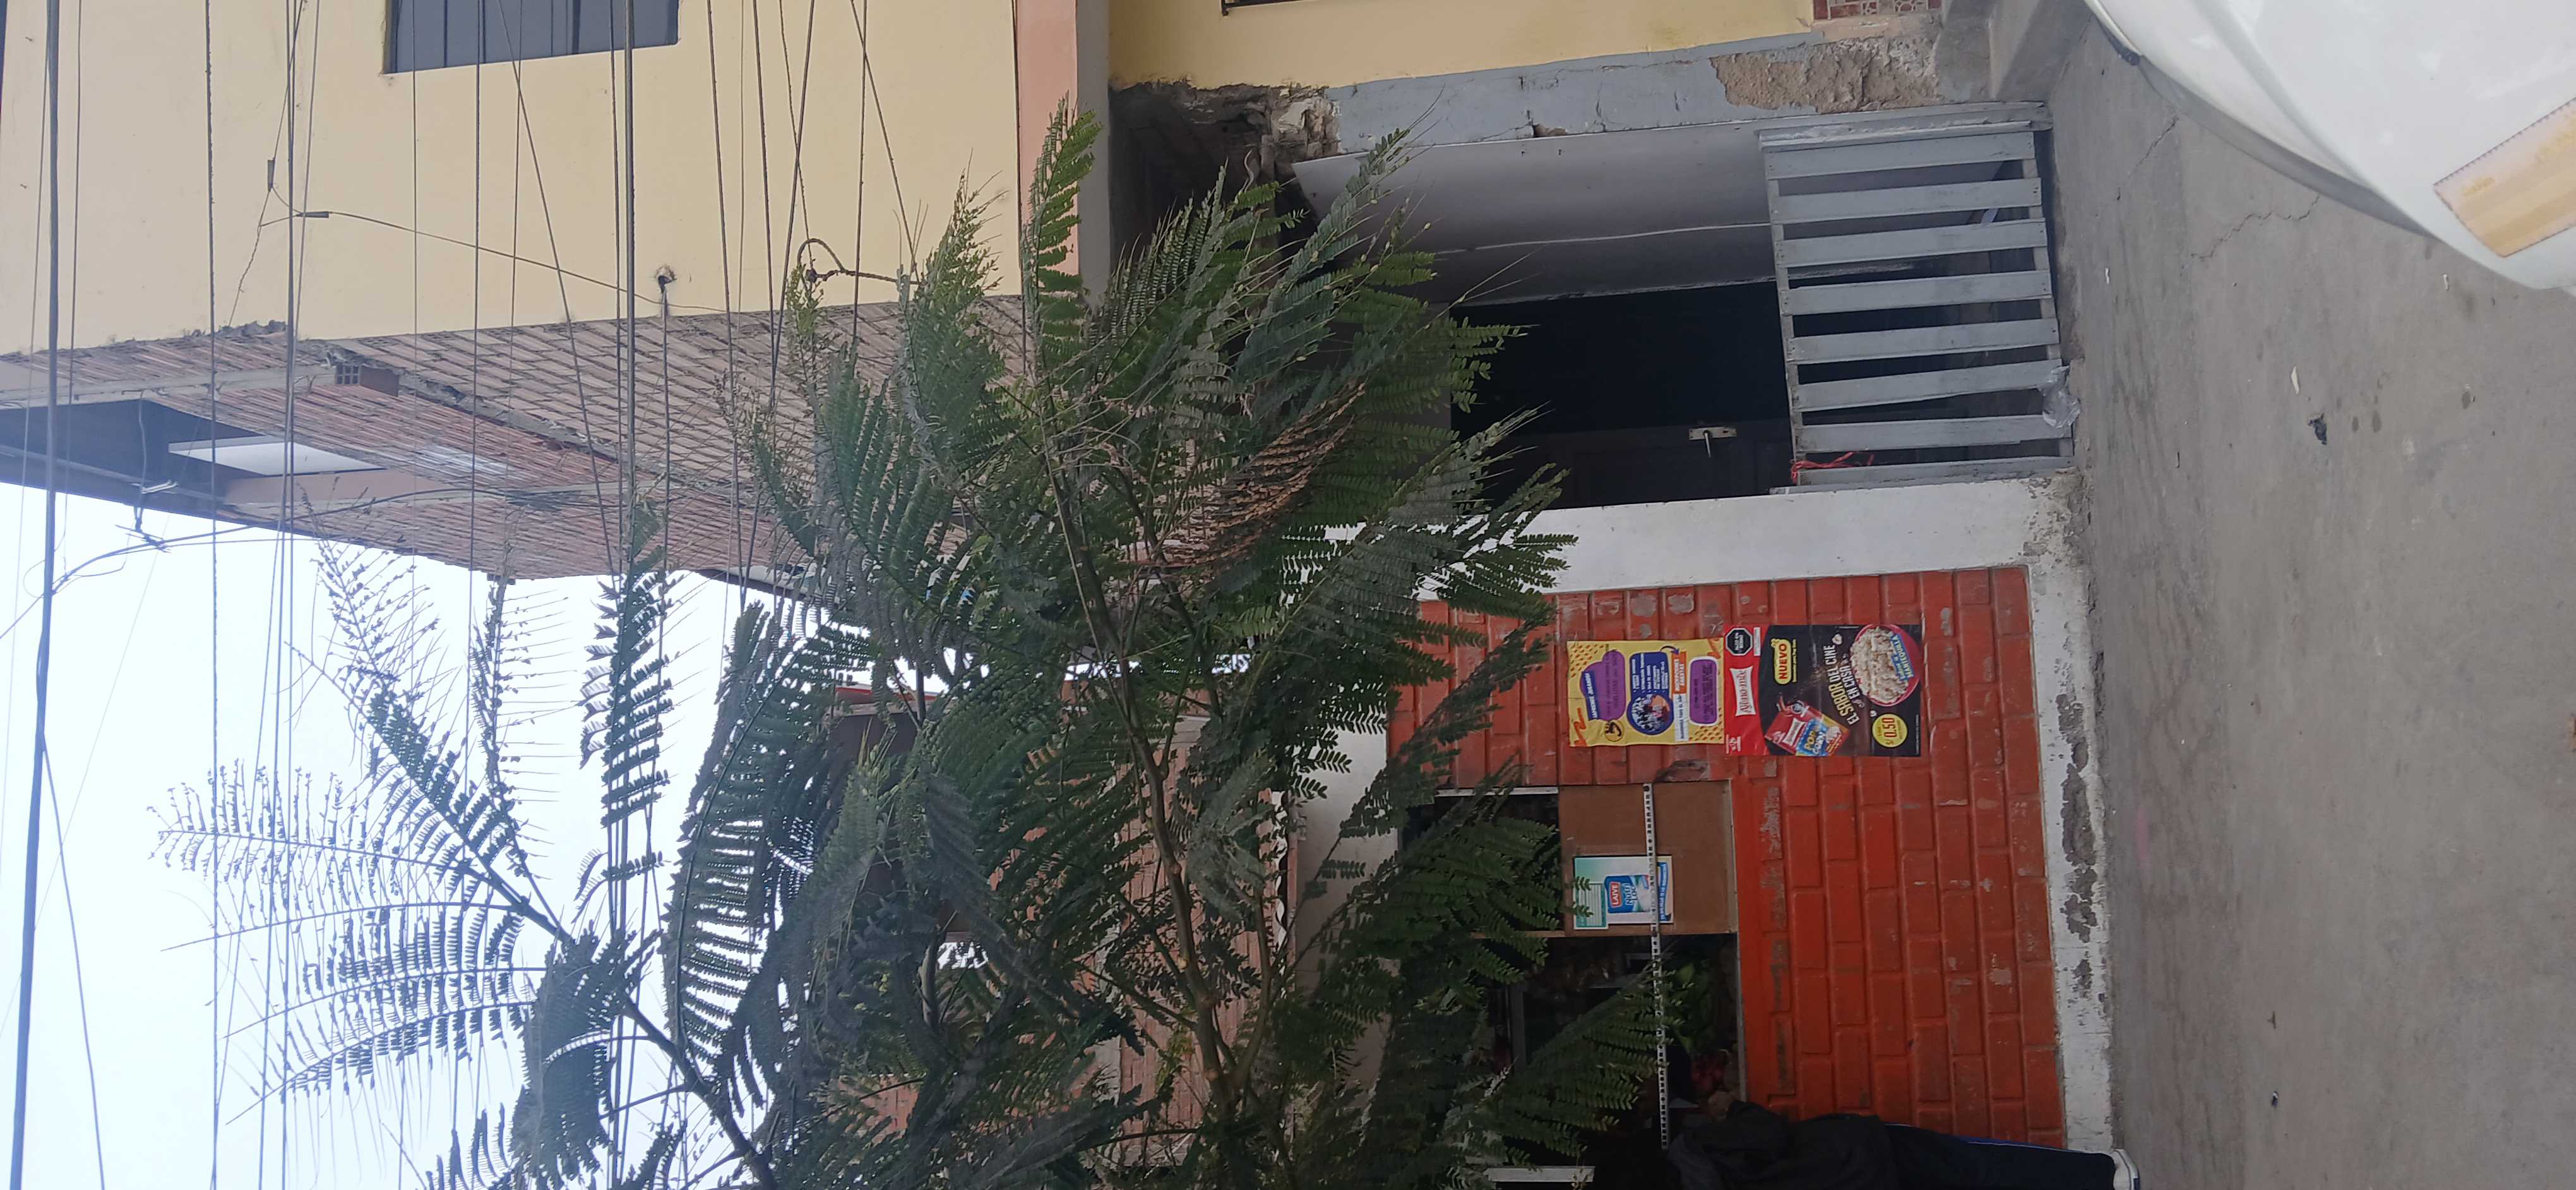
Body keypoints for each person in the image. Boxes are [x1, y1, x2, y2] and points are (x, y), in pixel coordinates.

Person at [1666, 1054, 2140, 1190]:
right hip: (1860, 1155)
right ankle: (2103, 1175)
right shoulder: (1697, 1153)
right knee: (1978, 1165)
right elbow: (1768, 1133)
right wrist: (1734, 1110)